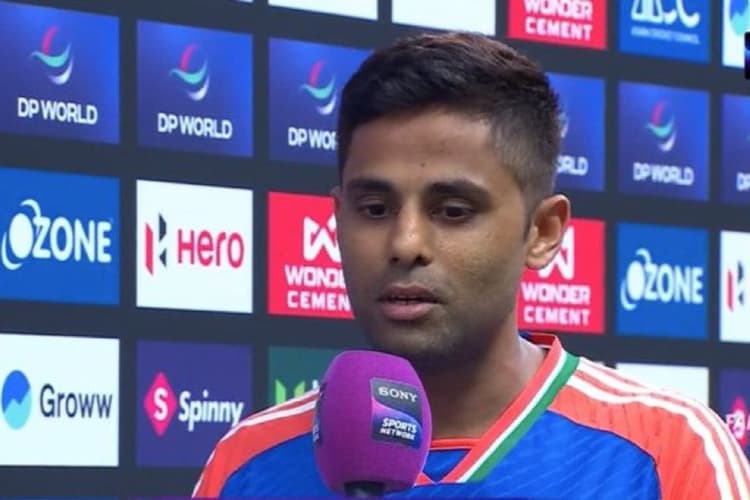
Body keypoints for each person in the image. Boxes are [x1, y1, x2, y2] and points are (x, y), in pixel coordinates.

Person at [192, 32, 750, 498]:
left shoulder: (667, 451)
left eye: (453, 211)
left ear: (543, 232)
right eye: (375, 209)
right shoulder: (247, 465)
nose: (406, 243)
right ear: (337, 221)